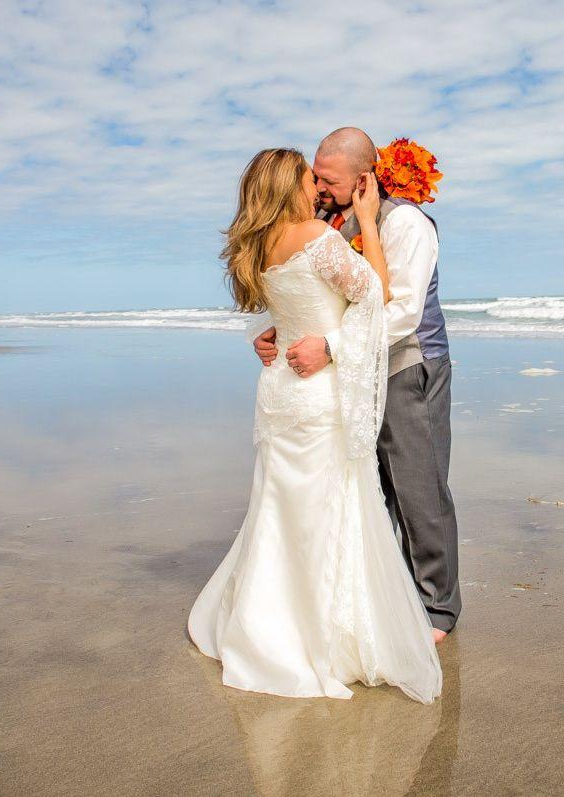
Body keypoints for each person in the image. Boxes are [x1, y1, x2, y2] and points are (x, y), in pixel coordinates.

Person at [187, 148, 442, 704]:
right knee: (327, 511)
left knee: (280, 510)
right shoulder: (316, 236)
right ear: (290, 185)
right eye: (310, 178)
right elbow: (376, 297)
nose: (317, 188)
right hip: (318, 392)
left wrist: (270, 335)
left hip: (282, 391)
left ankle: (262, 624)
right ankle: (320, 636)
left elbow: (291, 311)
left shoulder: (256, 246)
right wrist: (368, 223)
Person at [254, 128, 461, 642]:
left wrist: (330, 346)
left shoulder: (405, 222)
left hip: (407, 366)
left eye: (329, 180)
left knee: (418, 486)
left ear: (364, 178)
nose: (320, 189)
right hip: (352, 374)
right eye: (316, 178)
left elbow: (403, 311)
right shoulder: (329, 221)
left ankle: (438, 608)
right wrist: (283, 332)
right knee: (371, 489)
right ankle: (383, 598)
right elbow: (329, 294)